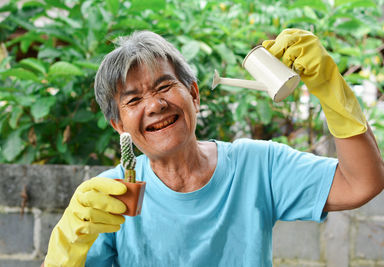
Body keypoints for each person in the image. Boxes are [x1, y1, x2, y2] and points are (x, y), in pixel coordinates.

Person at [43, 29, 384, 267]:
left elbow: (361, 183)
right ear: (119, 124)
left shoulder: (258, 165)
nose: (155, 104)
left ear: (193, 94)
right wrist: (67, 246)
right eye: (134, 99)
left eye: (165, 86)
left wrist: (330, 89)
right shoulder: (110, 199)